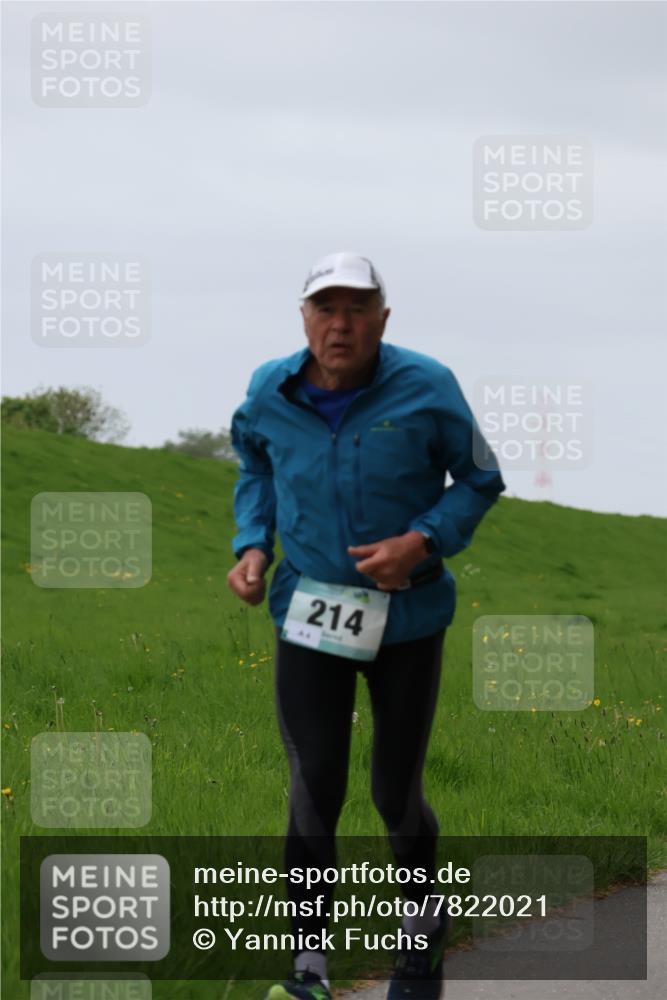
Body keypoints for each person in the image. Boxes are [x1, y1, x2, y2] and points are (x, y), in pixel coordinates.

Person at [227, 252, 505, 1000]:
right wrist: (252, 543)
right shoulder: (268, 389)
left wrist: (422, 540)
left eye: (356, 309)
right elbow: (253, 466)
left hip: (406, 618)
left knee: (393, 791)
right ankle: (308, 967)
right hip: (308, 614)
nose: (339, 324)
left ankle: (420, 928)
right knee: (313, 784)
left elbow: (482, 478)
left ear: (383, 318)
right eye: (325, 309)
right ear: (304, 318)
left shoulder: (427, 386)